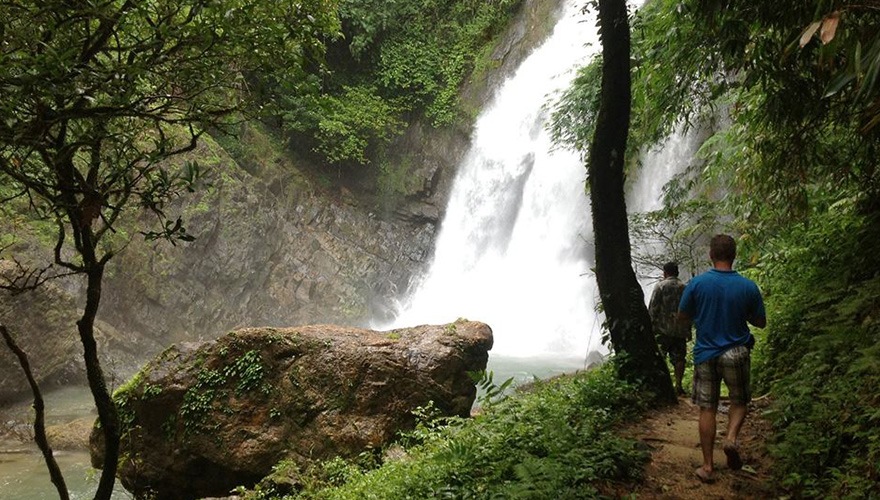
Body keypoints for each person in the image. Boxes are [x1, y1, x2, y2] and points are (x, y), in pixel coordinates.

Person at [678, 234, 766, 484]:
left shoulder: (697, 284)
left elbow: (682, 316)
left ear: (711, 254)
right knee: (739, 401)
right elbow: (760, 321)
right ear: (734, 255)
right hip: (736, 351)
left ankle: (707, 466)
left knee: (708, 407)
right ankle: (730, 438)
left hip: (706, 352)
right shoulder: (748, 286)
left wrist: (701, 314)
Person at [648, 261, 691, 396]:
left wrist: (650, 325)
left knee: (661, 357)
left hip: (662, 329)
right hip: (680, 330)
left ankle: (661, 386)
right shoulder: (684, 287)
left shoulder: (660, 286)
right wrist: (688, 329)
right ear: (677, 272)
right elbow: (690, 310)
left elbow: (653, 308)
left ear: (665, 273)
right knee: (679, 359)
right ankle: (678, 385)